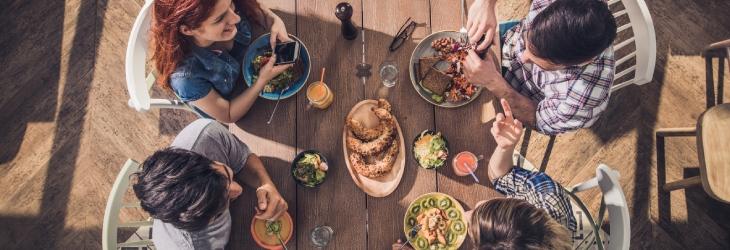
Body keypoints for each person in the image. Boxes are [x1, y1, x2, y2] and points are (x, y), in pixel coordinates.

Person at [393, 99, 575, 250]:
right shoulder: (546, 196)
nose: (466, 215)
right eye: (493, 205)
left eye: (474, 235)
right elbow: (499, 177)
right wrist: (506, 147)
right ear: (519, 203)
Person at [463, 0, 618, 135]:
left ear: (579, 64)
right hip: (509, 38)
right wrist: (486, 3)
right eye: (528, 42)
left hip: (515, 95)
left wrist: (493, 83)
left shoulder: (584, 99)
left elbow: (537, 119)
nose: (522, 58)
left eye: (537, 62)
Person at [132, 119, 288, 249]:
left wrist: (265, 183)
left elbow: (242, 158)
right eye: (220, 208)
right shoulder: (192, 245)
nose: (238, 189)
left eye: (226, 175)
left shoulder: (206, 134)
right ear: (203, 223)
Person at [151, 0, 293, 122]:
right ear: (188, 30)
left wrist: (274, 20)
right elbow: (228, 115)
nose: (236, 18)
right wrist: (261, 81)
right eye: (219, 19)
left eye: (230, 4)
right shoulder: (186, 78)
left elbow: (254, 7)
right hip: (239, 104)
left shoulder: (222, 5)